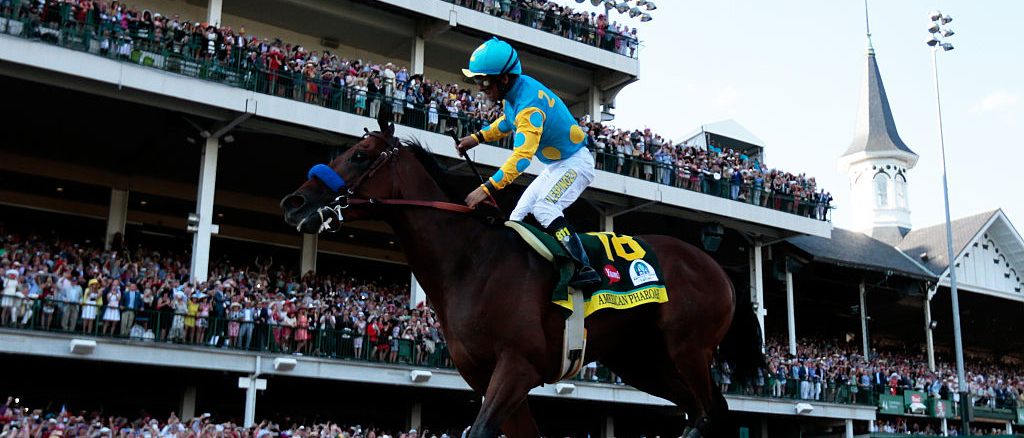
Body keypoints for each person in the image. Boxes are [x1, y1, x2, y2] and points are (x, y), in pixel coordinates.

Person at [456, 37, 599, 289]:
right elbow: (508, 122)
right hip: (556, 165)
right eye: (478, 81)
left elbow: (522, 158)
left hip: (576, 163)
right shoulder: (515, 92)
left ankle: (583, 266)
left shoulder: (529, 107)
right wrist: (477, 138)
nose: (480, 87)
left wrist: (486, 188)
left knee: (545, 207)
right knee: (516, 217)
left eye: (485, 81)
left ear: (504, 78)